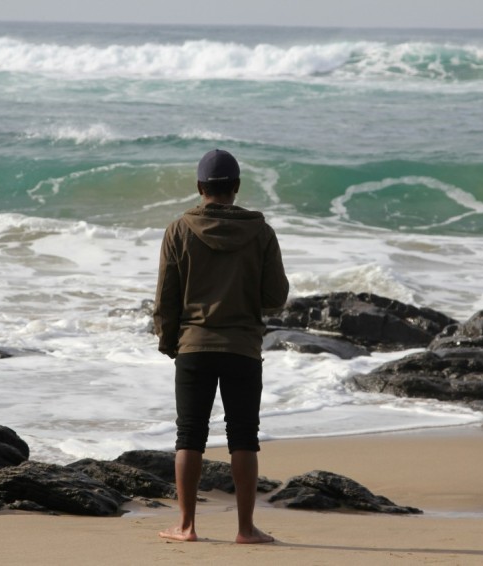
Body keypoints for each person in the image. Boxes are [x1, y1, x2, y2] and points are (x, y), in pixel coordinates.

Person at [153, 149, 289, 544]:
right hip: (243, 348)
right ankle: (246, 529)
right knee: (244, 436)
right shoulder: (261, 232)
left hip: (193, 347)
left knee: (189, 434)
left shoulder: (178, 229)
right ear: (236, 188)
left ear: (200, 188)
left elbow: (166, 298)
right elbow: (276, 295)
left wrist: (169, 341)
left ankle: (187, 526)